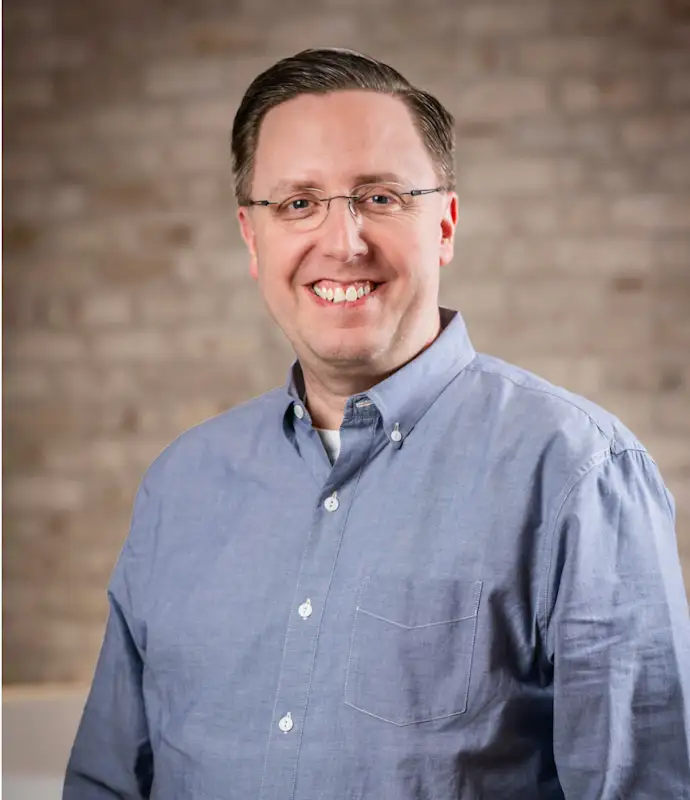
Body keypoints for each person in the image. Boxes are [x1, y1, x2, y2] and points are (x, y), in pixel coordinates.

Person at [64, 48, 690, 800]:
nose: (343, 241)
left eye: (381, 197)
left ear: (446, 224)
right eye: (299, 203)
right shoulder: (180, 486)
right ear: (250, 238)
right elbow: (107, 783)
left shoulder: (576, 471)